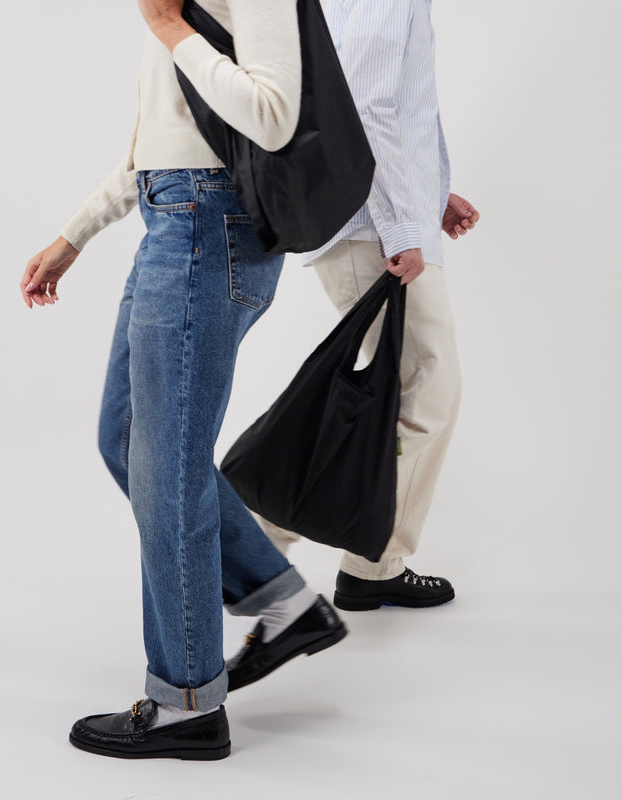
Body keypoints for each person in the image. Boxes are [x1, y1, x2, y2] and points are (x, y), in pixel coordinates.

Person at [19, 0, 346, 761]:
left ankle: (187, 702)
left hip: (210, 228)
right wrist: (76, 232)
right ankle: (283, 602)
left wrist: (172, 28)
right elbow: (164, 142)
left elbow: (269, 115)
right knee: (128, 437)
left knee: (166, 469)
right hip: (172, 220)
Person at [254, 0, 480, 611]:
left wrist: (429, 193)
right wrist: (402, 223)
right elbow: (365, 104)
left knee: (395, 394)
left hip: (377, 218)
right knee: (425, 389)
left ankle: (368, 565)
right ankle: (259, 551)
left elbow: (386, 104)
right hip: (373, 229)